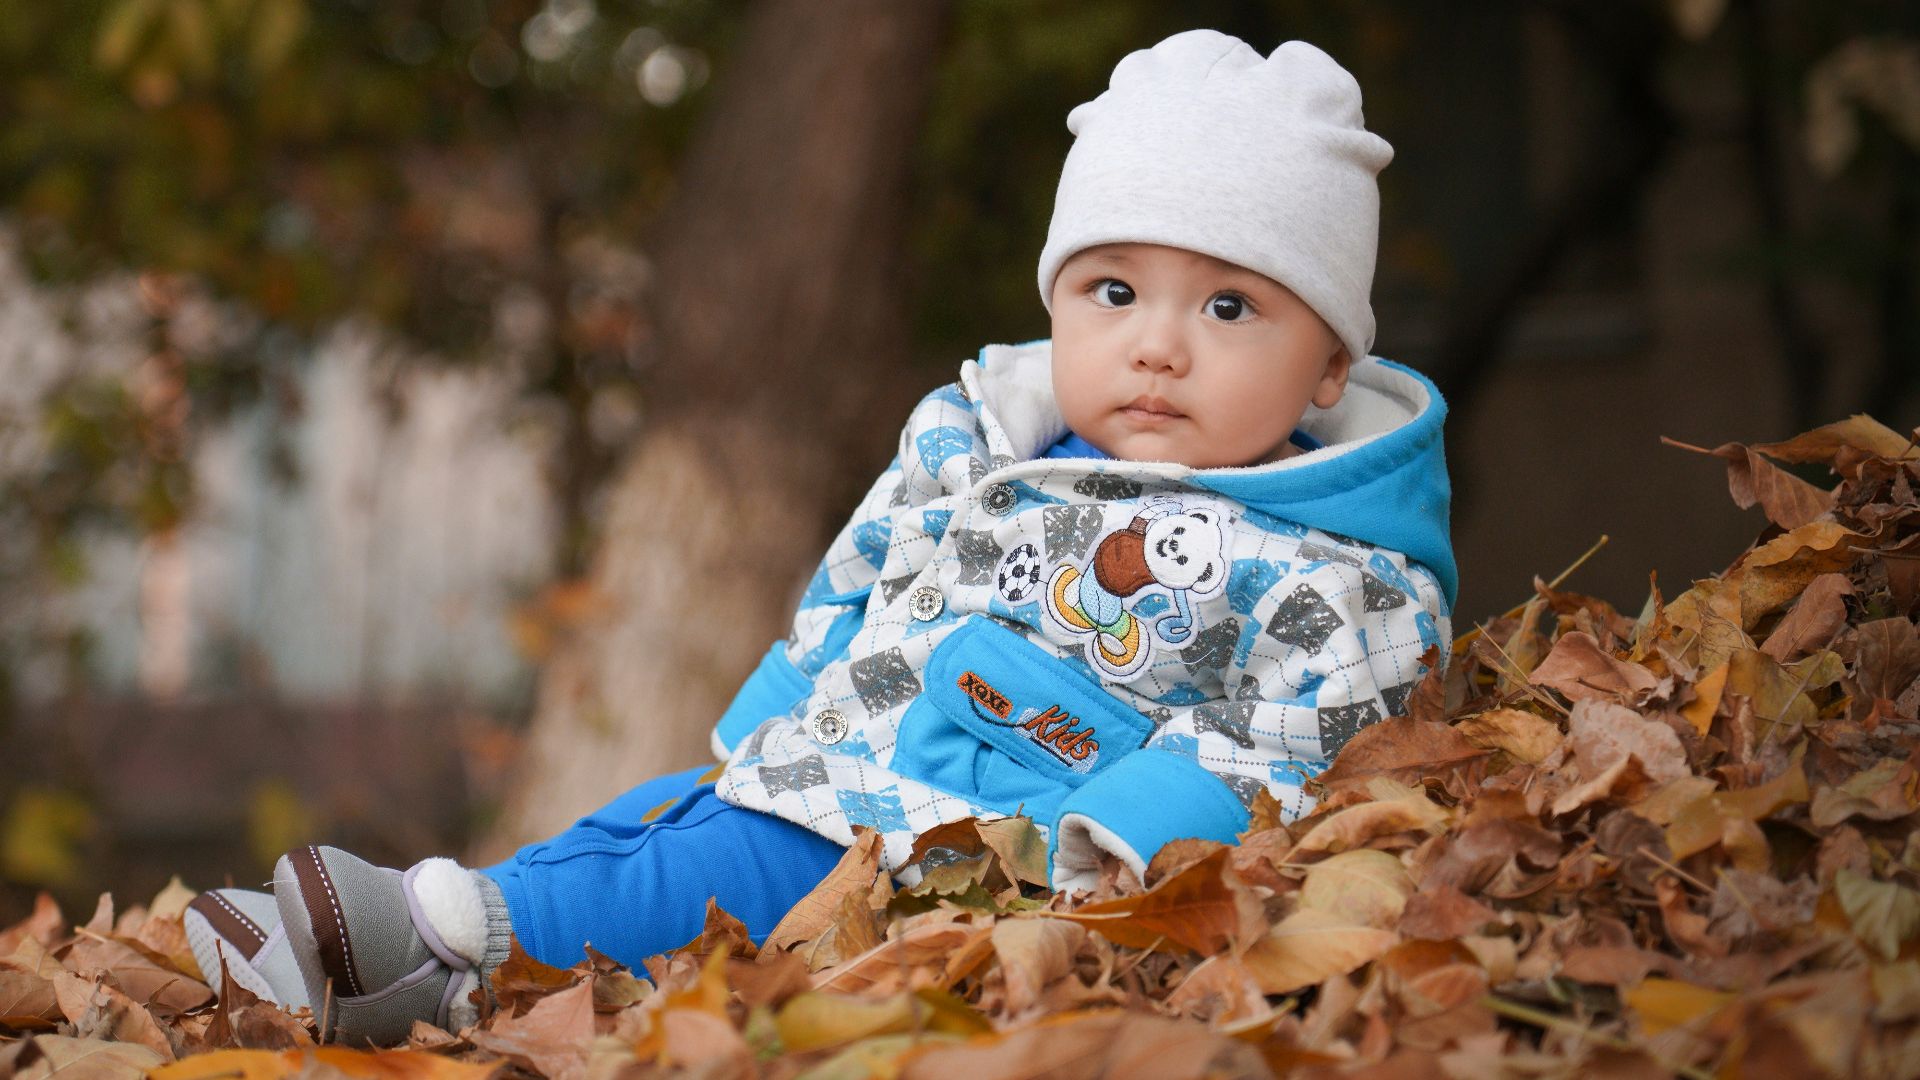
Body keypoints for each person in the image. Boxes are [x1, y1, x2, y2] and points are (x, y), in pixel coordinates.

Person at [182, 29, 1454, 1043]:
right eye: (1112, 291)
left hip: (982, 826)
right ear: (1058, 301)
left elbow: (1308, 733)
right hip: (849, 747)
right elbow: (863, 568)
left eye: (1230, 305)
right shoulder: (977, 440)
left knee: (717, 873)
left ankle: (458, 936)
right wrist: (781, 700)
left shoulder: (1332, 569)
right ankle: (407, 941)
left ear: (1333, 363)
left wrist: (1122, 832)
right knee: (667, 813)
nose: (1158, 343)